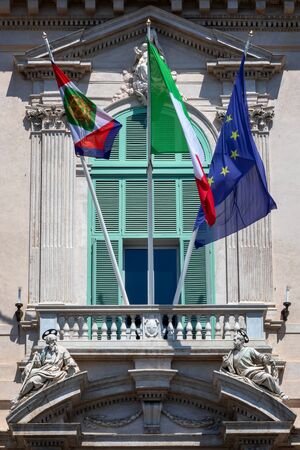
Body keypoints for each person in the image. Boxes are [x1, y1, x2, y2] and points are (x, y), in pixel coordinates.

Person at [15, 329, 79, 403]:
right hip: (44, 370)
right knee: (31, 378)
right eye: (50, 342)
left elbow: (69, 360)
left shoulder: (62, 350)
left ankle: (21, 396)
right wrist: (37, 358)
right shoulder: (45, 350)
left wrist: (74, 368)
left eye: (53, 341)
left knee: (33, 380)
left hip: (55, 371)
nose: (52, 344)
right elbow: (40, 364)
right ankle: (20, 396)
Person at [221, 330, 288, 400]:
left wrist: (265, 359)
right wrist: (224, 364)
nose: (234, 341)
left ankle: (281, 394)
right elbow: (225, 368)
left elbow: (259, 356)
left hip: (252, 372)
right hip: (241, 375)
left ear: (242, 341)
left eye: (236, 339)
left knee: (267, 377)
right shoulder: (231, 353)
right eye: (234, 339)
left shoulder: (249, 350)